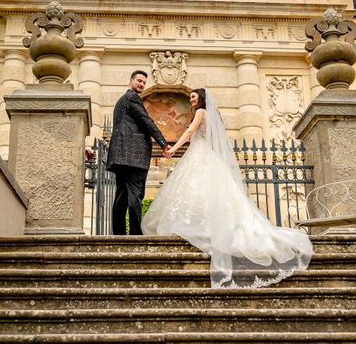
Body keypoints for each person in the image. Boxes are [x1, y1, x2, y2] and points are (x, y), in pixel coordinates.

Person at [142, 88, 313, 288]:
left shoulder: (200, 113)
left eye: (194, 97)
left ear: (202, 99)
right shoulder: (210, 115)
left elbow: (189, 132)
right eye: (190, 98)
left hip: (198, 155)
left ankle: (200, 227)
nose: (191, 100)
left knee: (196, 190)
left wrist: (173, 148)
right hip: (203, 154)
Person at [107, 70, 171, 235]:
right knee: (135, 195)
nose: (142, 84)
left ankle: (119, 234)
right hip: (132, 156)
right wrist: (163, 143)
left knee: (121, 196)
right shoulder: (132, 98)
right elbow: (146, 121)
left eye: (144, 82)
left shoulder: (121, 101)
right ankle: (136, 235)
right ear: (131, 81)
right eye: (139, 81)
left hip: (120, 156)